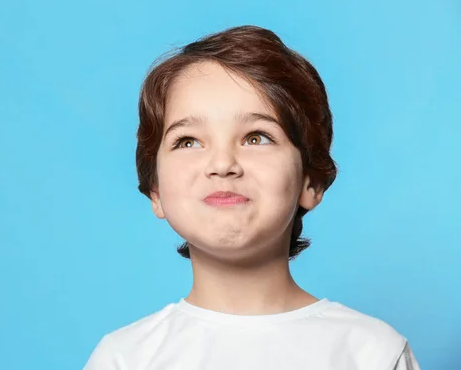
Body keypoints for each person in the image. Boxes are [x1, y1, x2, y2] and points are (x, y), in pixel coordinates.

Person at [83, 25, 420, 369]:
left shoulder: (372, 352)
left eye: (256, 137)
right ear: (155, 189)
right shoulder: (124, 358)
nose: (222, 164)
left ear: (311, 182)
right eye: (188, 141)